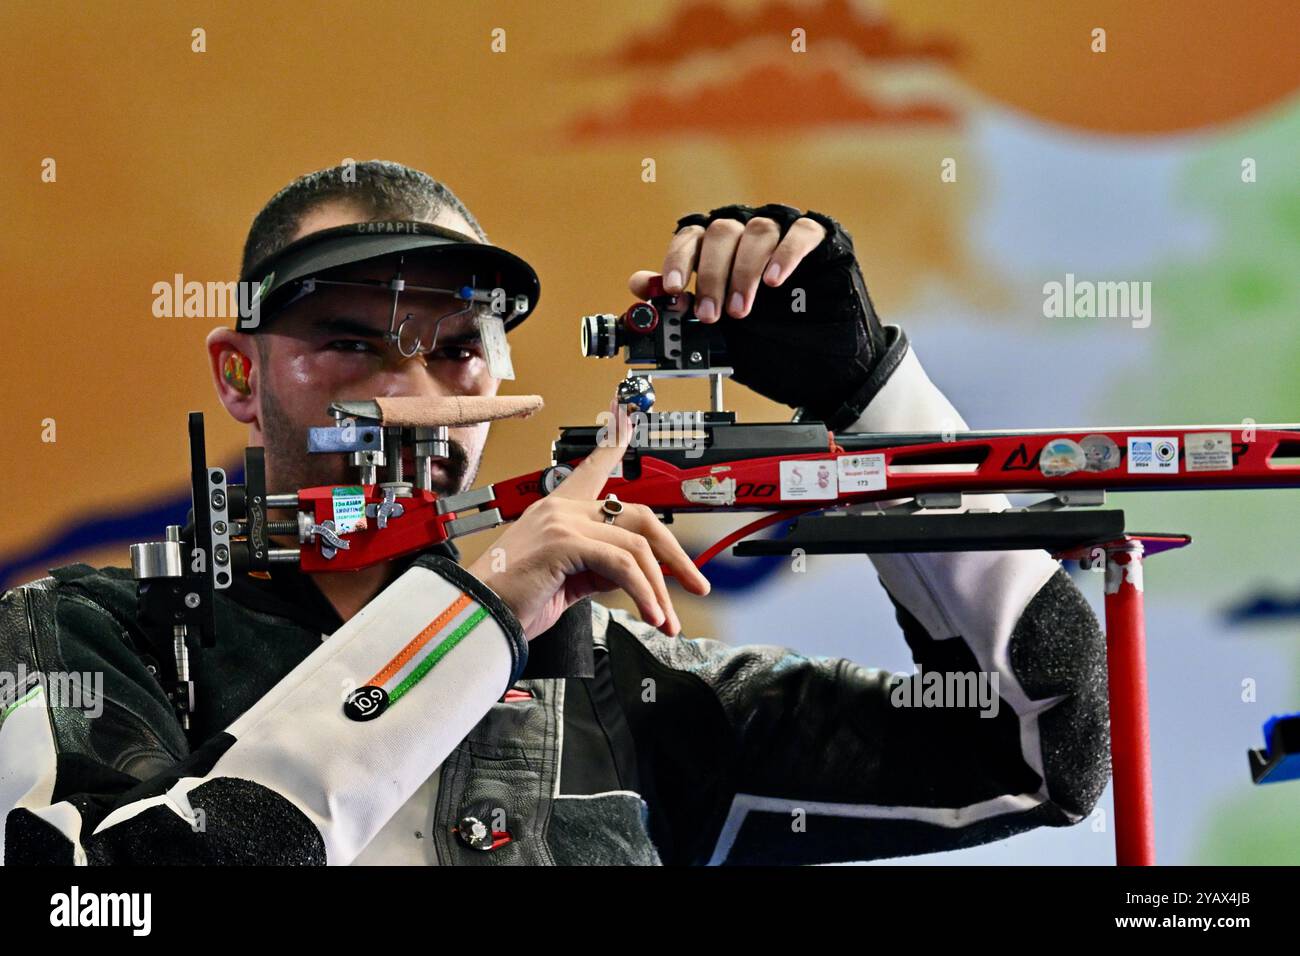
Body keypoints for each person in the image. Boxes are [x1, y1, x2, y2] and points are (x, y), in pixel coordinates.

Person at [0, 160, 1109, 865]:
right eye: (351, 341)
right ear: (238, 376)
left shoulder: (627, 682)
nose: (414, 392)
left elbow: (1042, 747)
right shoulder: (83, 633)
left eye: (455, 349)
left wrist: (871, 396)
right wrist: (472, 615)